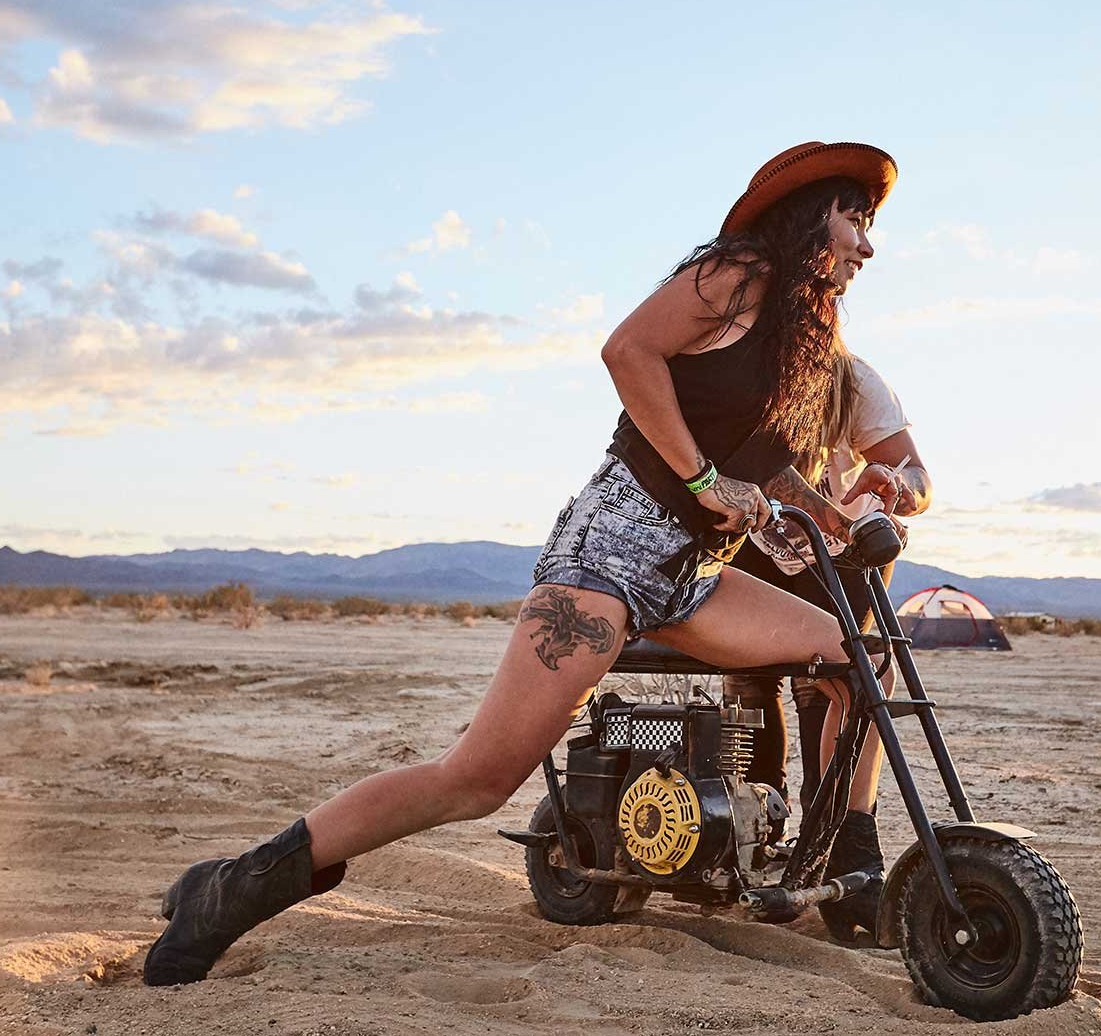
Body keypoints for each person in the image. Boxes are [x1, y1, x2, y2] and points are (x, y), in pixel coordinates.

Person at [142, 141, 904, 986]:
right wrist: (699, 477)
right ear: (809, 215)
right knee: (476, 778)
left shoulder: (803, 337)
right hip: (610, 552)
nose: (866, 246)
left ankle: (827, 855)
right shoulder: (740, 273)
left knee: (857, 659)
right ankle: (230, 890)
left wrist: (837, 514)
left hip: (690, 574)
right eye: (854, 220)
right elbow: (626, 353)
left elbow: (762, 462)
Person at [720, 350, 930, 940]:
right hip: (753, 546)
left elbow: (920, 478)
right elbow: (758, 467)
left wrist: (894, 486)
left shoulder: (854, 378)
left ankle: (843, 851)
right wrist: (835, 512)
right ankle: (757, 840)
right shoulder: (745, 369)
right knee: (747, 680)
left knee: (839, 685)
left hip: (845, 557)